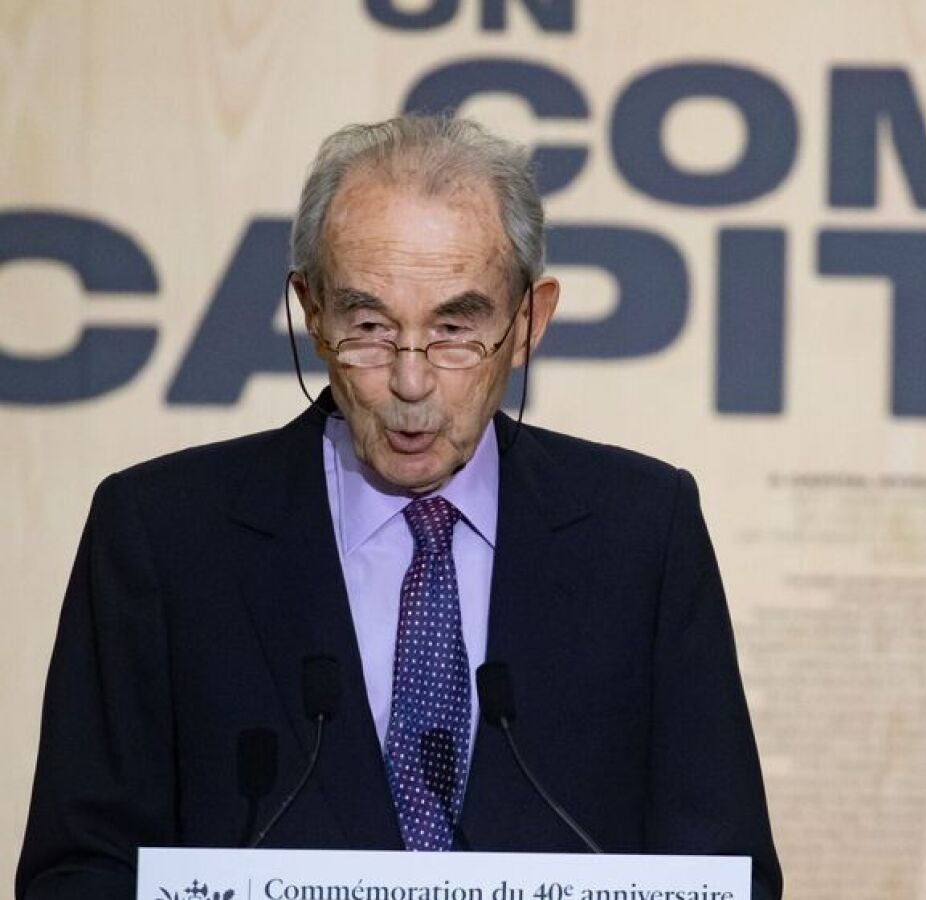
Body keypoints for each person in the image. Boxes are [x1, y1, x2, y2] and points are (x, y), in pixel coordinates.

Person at [16, 115, 782, 899]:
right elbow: (79, 872)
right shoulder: (162, 535)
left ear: (528, 322)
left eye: (454, 329)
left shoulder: (642, 532)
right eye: (370, 327)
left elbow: (726, 875)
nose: (411, 383)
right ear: (312, 312)